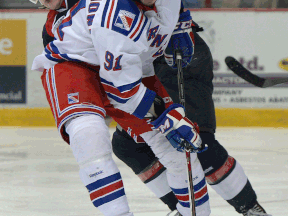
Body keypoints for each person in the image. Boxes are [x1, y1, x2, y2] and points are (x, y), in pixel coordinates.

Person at [30, 0, 211, 215]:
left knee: (176, 147)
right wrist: (166, 116)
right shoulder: (112, 15)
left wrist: (181, 22)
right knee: (90, 138)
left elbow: (175, 6)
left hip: (129, 66)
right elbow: (123, 91)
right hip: (75, 64)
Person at [112, 6, 273, 216]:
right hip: (143, 63)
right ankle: (184, 209)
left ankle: (252, 210)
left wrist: (179, 22)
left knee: (194, 141)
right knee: (127, 144)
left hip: (178, 55)